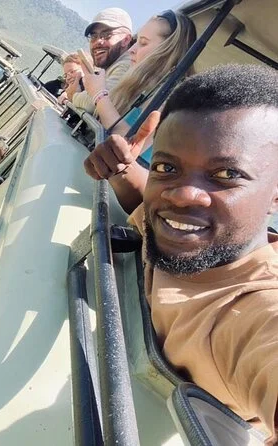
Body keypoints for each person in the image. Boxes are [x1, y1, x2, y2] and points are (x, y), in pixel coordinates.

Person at [90, 64, 278, 439]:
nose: (182, 194)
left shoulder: (253, 310)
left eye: (226, 175)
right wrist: (119, 168)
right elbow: (141, 201)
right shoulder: (180, 228)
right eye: (166, 167)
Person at [81, 10, 196, 135]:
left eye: (143, 43)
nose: (131, 50)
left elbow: (131, 142)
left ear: (169, 51)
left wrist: (99, 94)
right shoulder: (143, 87)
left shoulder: (171, 102)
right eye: (136, 42)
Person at [69, 7, 134, 113]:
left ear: (126, 40)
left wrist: (73, 95)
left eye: (107, 35)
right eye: (93, 36)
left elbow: (95, 102)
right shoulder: (110, 66)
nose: (98, 41)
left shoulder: (127, 64)